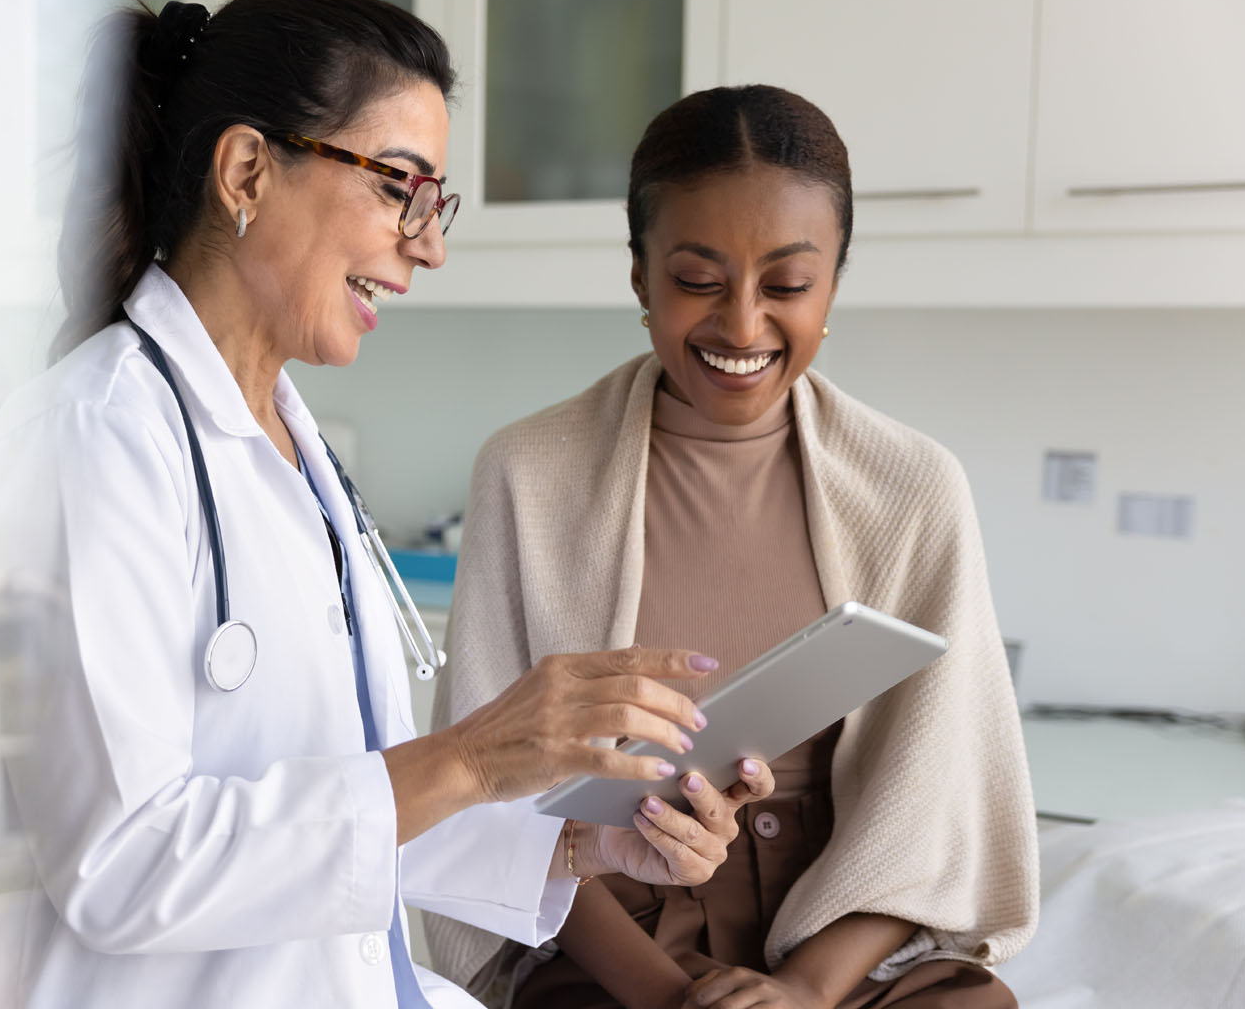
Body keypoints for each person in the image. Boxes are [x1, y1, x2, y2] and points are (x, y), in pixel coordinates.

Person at [0, 0, 777, 1007]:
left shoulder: (294, 449)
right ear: (247, 169)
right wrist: (473, 757)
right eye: (399, 187)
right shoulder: (90, 439)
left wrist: (586, 843)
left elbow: (346, 808)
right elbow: (122, 863)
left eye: (433, 204)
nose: (427, 246)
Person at [423, 86, 1038, 1009]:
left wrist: (799, 991)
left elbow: (939, 811)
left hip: (841, 933)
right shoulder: (528, 473)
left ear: (833, 281)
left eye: (787, 285)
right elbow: (490, 807)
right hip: (610, 934)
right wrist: (671, 996)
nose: (743, 327)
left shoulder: (915, 488)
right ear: (640, 276)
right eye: (698, 281)